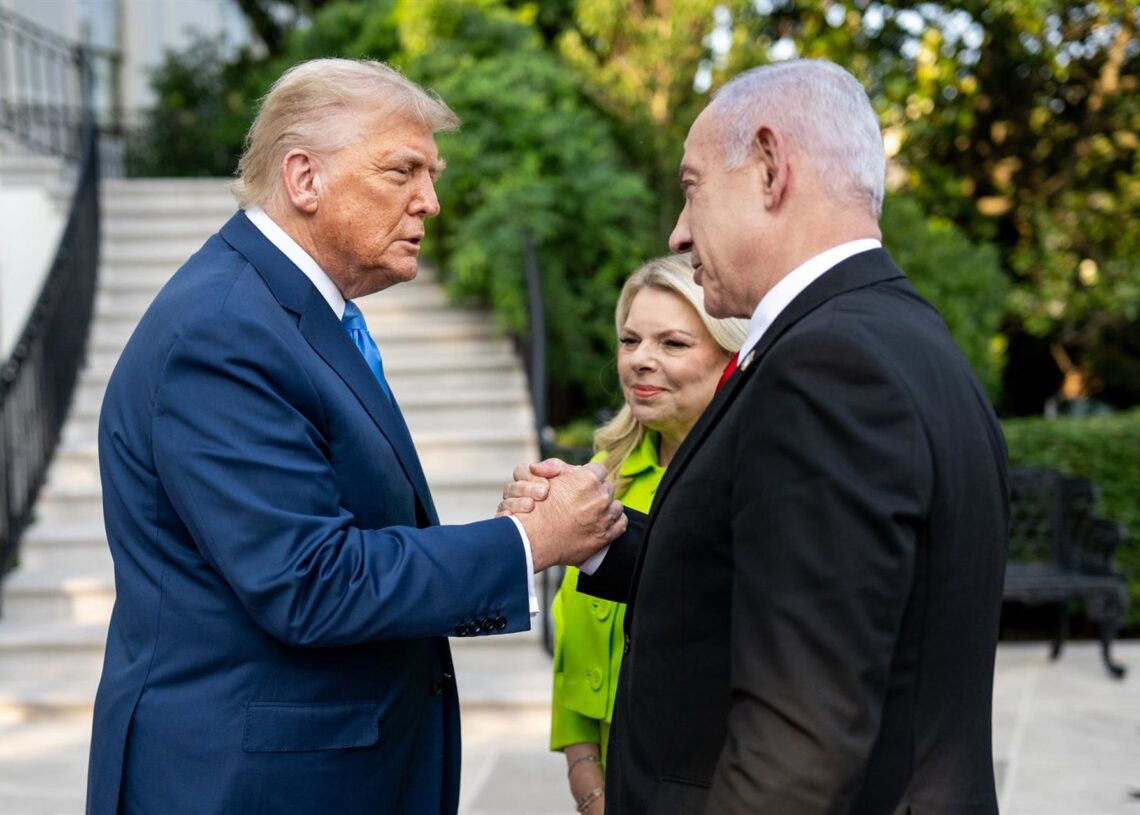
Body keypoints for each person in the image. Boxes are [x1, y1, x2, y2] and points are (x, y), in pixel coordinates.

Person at [86, 58, 625, 815]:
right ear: (304, 178)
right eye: (403, 170)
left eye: (430, 173)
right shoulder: (223, 330)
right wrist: (527, 542)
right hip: (245, 787)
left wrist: (517, 532)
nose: (430, 202)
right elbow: (309, 581)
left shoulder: (283, 313)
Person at [506, 59, 1009, 814]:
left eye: (691, 186)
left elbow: (800, 731)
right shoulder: (903, 334)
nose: (678, 230)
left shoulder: (827, 365)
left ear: (771, 168)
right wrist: (605, 537)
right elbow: (766, 578)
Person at [549, 255, 746, 815]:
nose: (640, 360)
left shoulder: (754, 481)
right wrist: (588, 782)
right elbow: (572, 648)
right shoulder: (602, 475)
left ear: (729, 355)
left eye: (673, 344)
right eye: (630, 340)